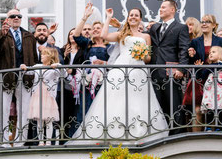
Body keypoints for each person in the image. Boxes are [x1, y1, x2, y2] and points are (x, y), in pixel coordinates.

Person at [70, 7, 168, 143]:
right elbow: (104, 36)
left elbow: (148, 58)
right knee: (116, 100)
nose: (133, 17)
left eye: (136, 15)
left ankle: (139, 133)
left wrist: (141, 54)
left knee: (138, 101)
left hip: (138, 70)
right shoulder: (122, 34)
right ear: (128, 18)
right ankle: (112, 132)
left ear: (140, 19)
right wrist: (109, 18)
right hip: (121, 68)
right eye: (131, 15)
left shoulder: (146, 37)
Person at [0, 8, 38, 144]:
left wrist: (32, 75)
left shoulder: (29, 36)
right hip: (6, 77)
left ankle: (20, 141)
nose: (16, 18)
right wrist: (2, 36)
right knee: (3, 111)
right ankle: (3, 141)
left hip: (25, 77)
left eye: (19, 16)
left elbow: (34, 58)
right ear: (7, 19)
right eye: (13, 16)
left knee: (24, 111)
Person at [148, 0, 190, 134]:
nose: (160, 10)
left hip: (171, 72)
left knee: (174, 104)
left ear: (173, 10)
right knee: (157, 105)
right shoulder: (155, 28)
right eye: (160, 7)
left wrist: (181, 69)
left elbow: (183, 49)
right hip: (154, 71)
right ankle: (159, 134)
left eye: (163, 7)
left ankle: (176, 135)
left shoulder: (181, 27)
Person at [186, 14, 222, 128]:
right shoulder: (195, 41)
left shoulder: (220, 40)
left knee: (216, 110)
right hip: (200, 78)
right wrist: (192, 56)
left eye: (207, 21)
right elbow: (192, 61)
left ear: (214, 25)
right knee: (198, 110)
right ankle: (198, 140)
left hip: (215, 79)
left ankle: (215, 136)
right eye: (202, 21)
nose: (204, 23)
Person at [26, 48, 65, 146]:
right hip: (37, 96)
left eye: (44, 54)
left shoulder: (54, 69)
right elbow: (28, 71)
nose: (41, 56)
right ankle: (40, 141)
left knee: (48, 121)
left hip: (48, 96)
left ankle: (48, 141)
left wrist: (58, 65)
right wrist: (23, 67)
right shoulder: (37, 66)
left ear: (50, 56)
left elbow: (63, 73)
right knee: (39, 121)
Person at [62, 28, 86, 140]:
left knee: (75, 110)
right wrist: (63, 56)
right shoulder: (63, 49)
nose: (72, 36)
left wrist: (73, 70)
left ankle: (74, 136)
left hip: (77, 83)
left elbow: (84, 65)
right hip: (65, 83)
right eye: (70, 34)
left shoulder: (83, 50)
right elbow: (59, 64)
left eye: (74, 34)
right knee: (65, 111)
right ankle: (64, 138)